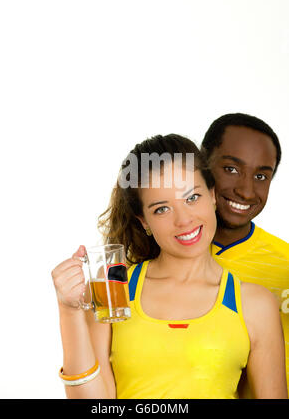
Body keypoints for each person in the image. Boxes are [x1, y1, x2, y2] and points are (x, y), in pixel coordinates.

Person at [51, 134, 287, 399]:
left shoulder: (255, 303)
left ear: (212, 195)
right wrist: (69, 311)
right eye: (162, 209)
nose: (184, 220)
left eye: (192, 198)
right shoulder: (114, 286)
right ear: (144, 222)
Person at [201, 113, 289, 395]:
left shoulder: (285, 263)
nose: (246, 191)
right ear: (202, 163)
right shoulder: (149, 257)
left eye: (261, 176)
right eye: (231, 169)